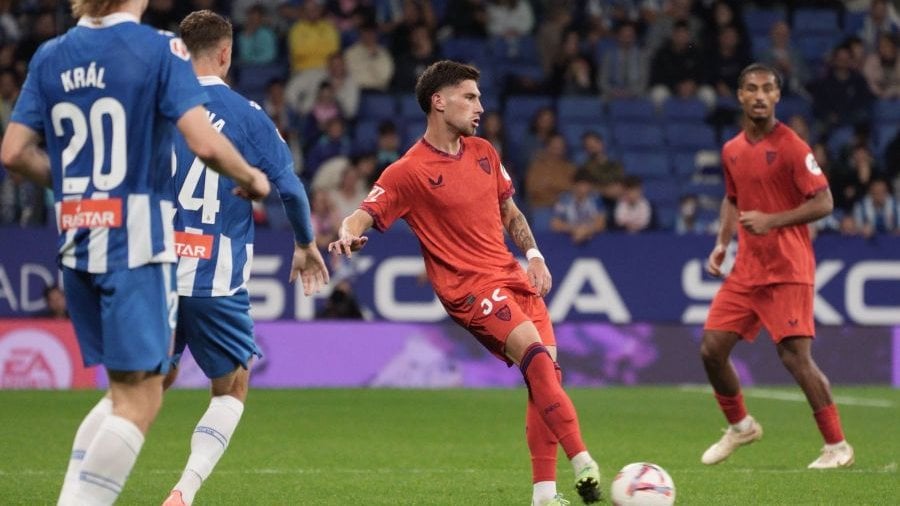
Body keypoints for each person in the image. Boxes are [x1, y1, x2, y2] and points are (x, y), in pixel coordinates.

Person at [0, 1, 270, 504]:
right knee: (141, 398)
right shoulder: (160, 48)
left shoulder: (50, 55)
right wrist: (251, 177)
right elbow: (204, 143)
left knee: (123, 391)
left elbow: (13, 152)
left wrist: (78, 187)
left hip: (77, 239)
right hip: (135, 242)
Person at [328, 60, 602, 506]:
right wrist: (347, 232)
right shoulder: (408, 170)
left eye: (479, 97)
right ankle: (583, 461)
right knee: (537, 361)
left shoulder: (484, 151)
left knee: (546, 380)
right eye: (470, 97)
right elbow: (363, 213)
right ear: (439, 101)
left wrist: (534, 256)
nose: (480, 107)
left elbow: (509, 211)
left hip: (512, 277)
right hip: (470, 290)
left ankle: (544, 494)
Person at [161, 11, 329, 506]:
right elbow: (291, 191)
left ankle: (86, 486)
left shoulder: (157, 107)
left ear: (181, 51)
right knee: (232, 386)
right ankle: (183, 492)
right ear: (226, 53)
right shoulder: (248, 116)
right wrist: (305, 244)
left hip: (155, 270)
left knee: (144, 387)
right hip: (213, 276)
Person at [700, 63, 854, 470]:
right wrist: (722, 244)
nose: (760, 96)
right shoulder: (732, 150)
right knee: (712, 349)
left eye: (767, 88)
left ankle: (837, 445)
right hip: (747, 269)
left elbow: (824, 202)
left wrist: (772, 220)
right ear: (740, 95)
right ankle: (741, 426)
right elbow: (732, 198)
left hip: (788, 267)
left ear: (777, 96)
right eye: (751, 88)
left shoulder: (792, 147)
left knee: (794, 357)